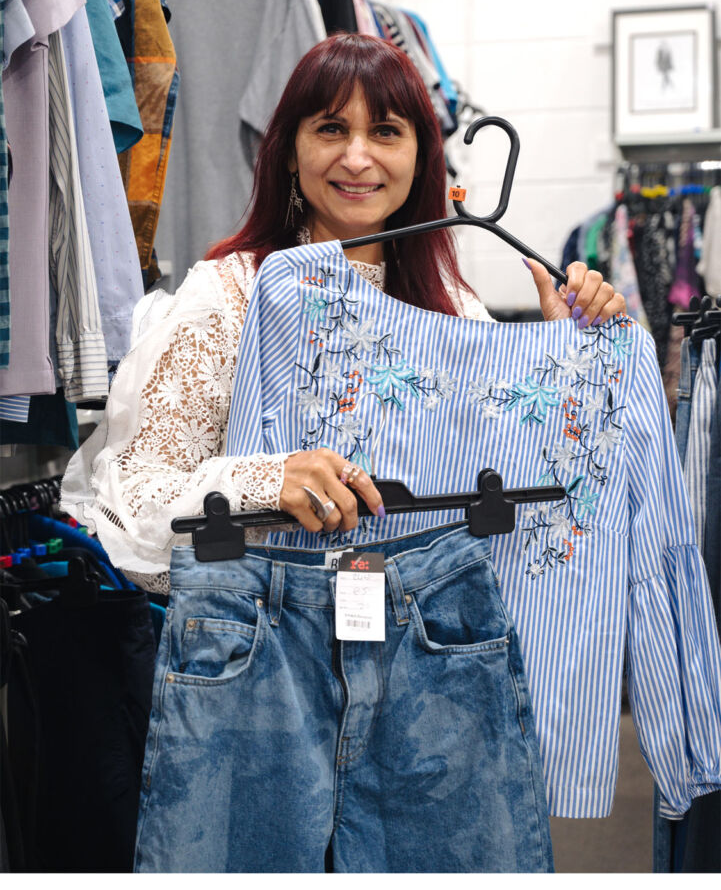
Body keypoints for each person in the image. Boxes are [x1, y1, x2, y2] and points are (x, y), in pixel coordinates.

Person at [61, 33, 626, 593]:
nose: (357, 158)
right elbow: (133, 504)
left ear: (420, 157)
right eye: (331, 129)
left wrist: (566, 353)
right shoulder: (227, 296)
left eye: (385, 132)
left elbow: (522, 488)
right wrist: (262, 482)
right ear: (289, 150)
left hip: (435, 658)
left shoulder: (455, 305)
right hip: (275, 659)